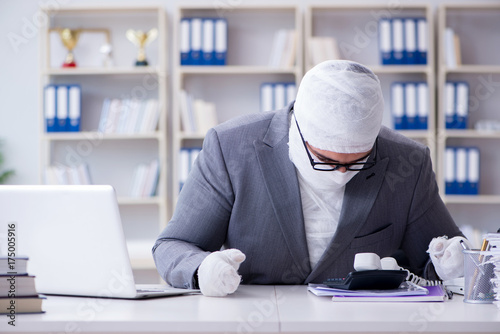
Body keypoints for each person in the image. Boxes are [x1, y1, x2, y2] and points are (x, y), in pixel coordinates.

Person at [153, 60, 465, 297]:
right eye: (326, 160)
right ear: (298, 130)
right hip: (253, 317)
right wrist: (201, 270)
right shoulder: (231, 148)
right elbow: (174, 245)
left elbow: (434, 262)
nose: (342, 173)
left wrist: (451, 265)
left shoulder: (406, 161)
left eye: (357, 162)